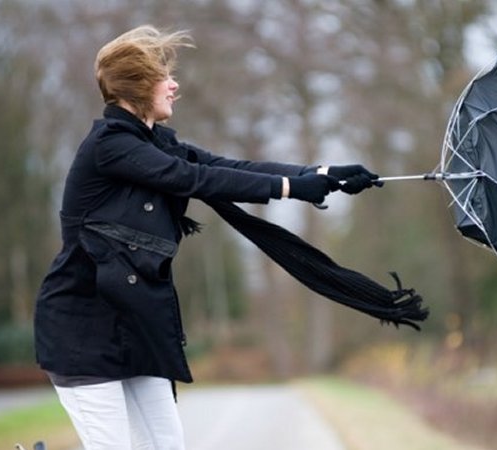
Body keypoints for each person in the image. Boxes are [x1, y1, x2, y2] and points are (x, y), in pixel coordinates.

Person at [33, 25, 379, 450]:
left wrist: (320, 175)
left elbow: (226, 165)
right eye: (164, 77)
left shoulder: (155, 141)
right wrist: (291, 190)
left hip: (136, 326)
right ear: (140, 86)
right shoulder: (110, 146)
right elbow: (194, 178)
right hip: (82, 332)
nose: (174, 85)